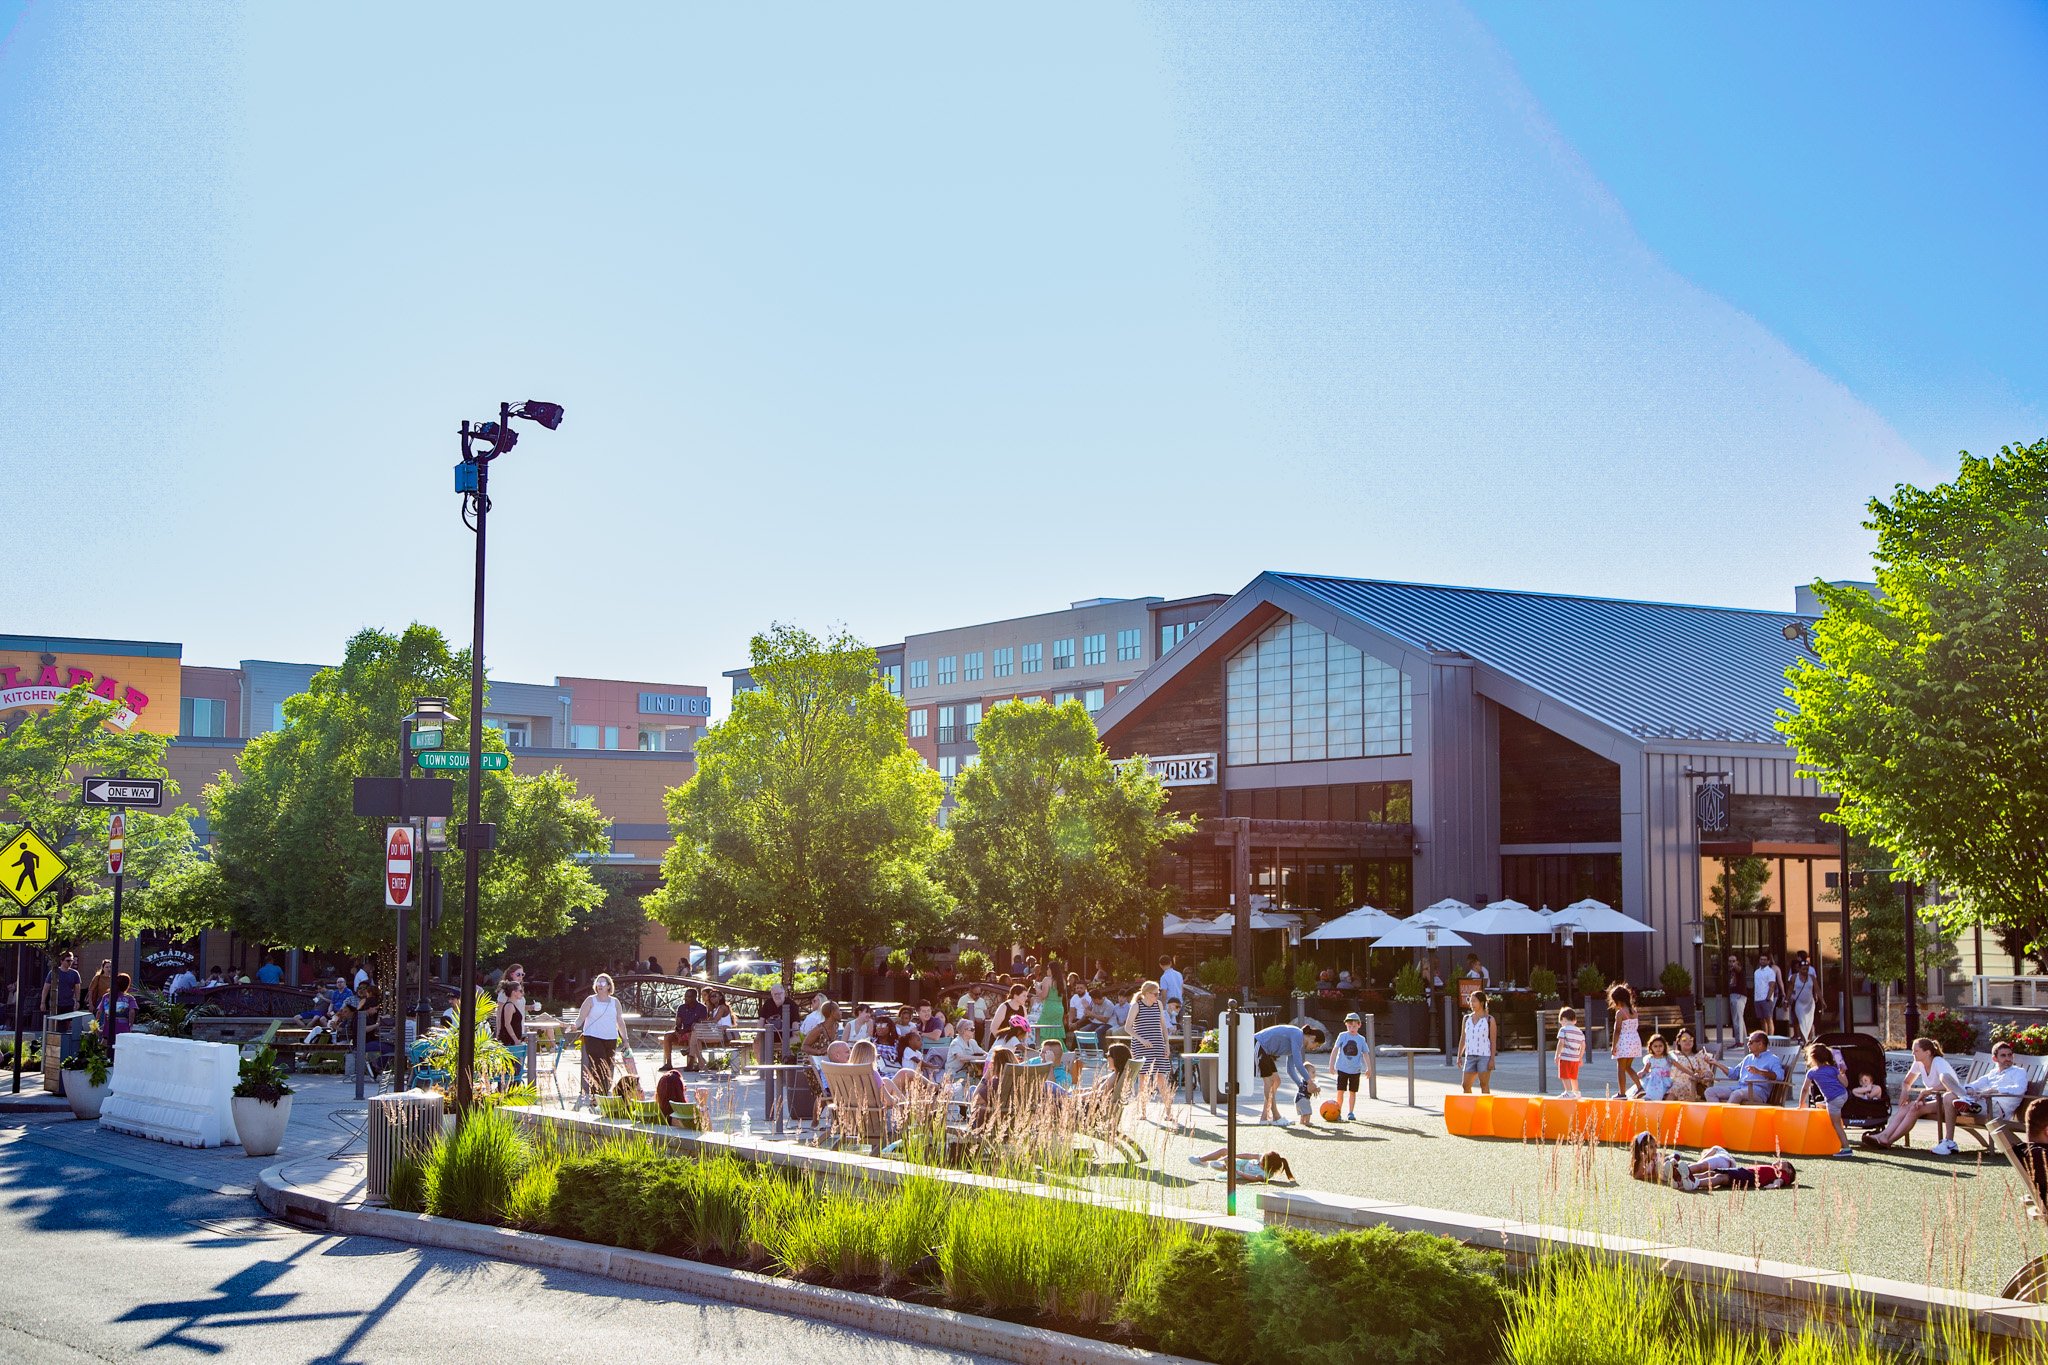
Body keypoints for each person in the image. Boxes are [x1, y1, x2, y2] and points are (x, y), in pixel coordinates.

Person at [1862, 1036, 1968, 1151]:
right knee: (1905, 1107)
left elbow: (1948, 1084)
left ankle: (1888, 1140)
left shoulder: (1938, 1062)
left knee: (1915, 1108)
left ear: (1927, 1052)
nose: (1913, 1053)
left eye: (1916, 1051)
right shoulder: (1919, 1063)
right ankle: (1884, 1135)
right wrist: (1904, 1092)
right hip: (1934, 1100)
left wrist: (1928, 1091)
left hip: (1949, 1102)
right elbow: (1907, 1082)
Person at [1254, 1020, 1327, 1126]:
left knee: (1276, 1081)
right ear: (1312, 1038)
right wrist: (1309, 1082)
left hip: (1265, 1051)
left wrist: (1301, 1086)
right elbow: (1298, 1064)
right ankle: (1275, 1117)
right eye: (1317, 1045)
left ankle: (1265, 1117)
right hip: (1257, 1044)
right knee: (1270, 1081)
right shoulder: (1298, 1034)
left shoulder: (1298, 1044)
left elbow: (1290, 1069)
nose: (1315, 1048)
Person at [1126, 980, 1175, 1124]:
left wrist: (1167, 1044)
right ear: (1146, 994)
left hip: (1157, 1043)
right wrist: (1141, 1040)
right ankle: (1143, 1112)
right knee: (1143, 1078)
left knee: (1161, 1078)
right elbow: (1128, 1027)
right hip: (1141, 1045)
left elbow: (1163, 1025)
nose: (1157, 996)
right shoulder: (1136, 1006)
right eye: (1155, 994)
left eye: (1158, 993)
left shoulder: (1158, 1005)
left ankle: (1168, 1112)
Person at [573, 973, 624, 1099]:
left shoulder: (615, 1002)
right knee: (598, 1063)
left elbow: (620, 1021)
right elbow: (580, 1018)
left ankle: (604, 1094)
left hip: (611, 1038)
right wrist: (574, 1025)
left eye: (602, 983)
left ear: (608, 986)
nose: (600, 985)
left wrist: (625, 1040)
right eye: (598, 983)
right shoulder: (591, 1000)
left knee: (607, 1066)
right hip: (593, 1036)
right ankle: (597, 1096)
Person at [1802, 1042, 1855, 1157]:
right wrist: (1842, 1073)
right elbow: (1845, 1084)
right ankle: (1845, 1147)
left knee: (1836, 1125)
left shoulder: (1812, 1072)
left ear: (1813, 1058)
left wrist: (1801, 1104)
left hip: (1834, 1100)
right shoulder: (1833, 1069)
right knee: (1820, 1104)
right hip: (1843, 1095)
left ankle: (1846, 1148)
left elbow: (1805, 1089)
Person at [1705, 1031, 1786, 1105]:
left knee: (1737, 1094)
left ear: (1760, 1044)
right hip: (1740, 1088)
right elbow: (1734, 1074)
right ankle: (1718, 1117)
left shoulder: (1772, 1059)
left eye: (1750, 1042)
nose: (1747, 1044)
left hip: (1757, 1092)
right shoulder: (1748, 1058)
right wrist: (1717, 1064)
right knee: (1710, 1092)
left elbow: (1780, 1076)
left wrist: (1760, 1072)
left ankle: (1725, 1119)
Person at [1327, 1012, 1369, 1120]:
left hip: (1355, 1069)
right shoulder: (1342, 1036)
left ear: (1359, 1025)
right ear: (1346, 1025)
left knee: (1353, 1092)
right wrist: (1331, 1065)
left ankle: (1351, 1112)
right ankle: (1338, 1111)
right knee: (1340, 1091)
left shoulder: (1361, 1039)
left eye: (1354, 1026)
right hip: (1342, 1068)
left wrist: (1369, 1068)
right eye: (1349, 1026)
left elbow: (1365, 1053)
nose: (1352, 1028)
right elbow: (1335, 1049)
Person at [1457, 991, 1498, 1096]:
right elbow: (1463, 1038)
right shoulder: (1467, 1019)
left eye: (1474, 1001)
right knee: (1465, 1085)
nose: (1471, 1004)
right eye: (1470, 1001)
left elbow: (1493, 1041)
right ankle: (1469, 1109)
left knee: (1483, 1084)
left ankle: (1485, 1109)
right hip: (1470, 1055)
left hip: (1484, 1056)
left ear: (1482, 1002)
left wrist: (1492, 1059)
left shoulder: (1489, 1020)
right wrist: (1459, 1055)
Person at [1667, 1029, 1723, 1103]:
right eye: (1684, 1040)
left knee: (1673, 1092)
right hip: (1669, 1083)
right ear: (1678, 1042)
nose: (1688, 1042)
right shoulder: (1672, 1055)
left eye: (1691, 1039)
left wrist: (1702, 1075)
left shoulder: (1699, 1056)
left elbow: (1708, 1073)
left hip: (1690, 1084)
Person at [1608, 982, 1643, 1096]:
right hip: (1634, 1040)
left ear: (1617, 1000)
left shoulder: (1620, 1013)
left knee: (1621, 1068)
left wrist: (1614, 1046)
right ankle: (1640, 1087)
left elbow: (1617, 1030)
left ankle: (1622, 1093)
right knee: (1628, 1066)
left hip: (1624, 1041)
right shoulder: (1634, 1012)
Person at [1187, 1147, 1296, 1183]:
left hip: (1240, 1172)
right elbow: (1249, 1156)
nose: (1259, 1161)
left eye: (1261, 1162)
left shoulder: (1265, 1174)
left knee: (1228, 1168)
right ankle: (1201, 1160)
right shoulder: (1262, 1158)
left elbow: (1254, 1178)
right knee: (1225, 1150)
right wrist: (1233, 1155)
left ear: (1267, 1166)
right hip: (1241, 1163)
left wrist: (1239, 1172)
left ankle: (1223, 1167)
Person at [664, 988, 711, 1070]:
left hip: (694, 1032)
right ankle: (668, 1063)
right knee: (667, 1036)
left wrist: (686, 1031)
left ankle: (691, 1062)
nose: (685, 998)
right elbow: (678, 1022)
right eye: (685, 996)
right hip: (683, 1031)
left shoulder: (702, 1008)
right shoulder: (681, 1007)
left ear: (694, 997)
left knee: (691, 1035)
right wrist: (678, 1030)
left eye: (688, 997)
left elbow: (702, 1024)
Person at [1555, 1006, 1586, 1097]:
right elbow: (1583, 1046)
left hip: (1565, 1057)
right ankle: (1576, 1092)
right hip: (1575, 1058)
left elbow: (1561, 1043)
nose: (1561, 1023)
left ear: (1563, 1019)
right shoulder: (1579, 1032)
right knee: (1573, 1076)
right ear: (1574, 1020)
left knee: (1564, 1076)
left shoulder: (1563, 1030)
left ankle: (1568, 1092)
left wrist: (1557, 1055)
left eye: (1561, 1021)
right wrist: (1580, 1058)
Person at [1788, 956, 1820, 1043]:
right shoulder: (1794, 977)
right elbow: (1790, 989)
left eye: (1806, 969)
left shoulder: (1812, 978)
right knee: (1801, 1021)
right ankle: (1803, 1040)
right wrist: (1786, 1000)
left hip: (1810, 1003)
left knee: (1809, 1021)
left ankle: (1807, 1039)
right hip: (1799, 1003)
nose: (1805, 971)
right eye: (1803, 969)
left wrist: (1822, 1000)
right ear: (1799, 969)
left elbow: (1817, 989)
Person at [95, 972, 138, 1036]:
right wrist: (130, 1024)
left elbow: (99, 1011)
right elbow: (132, 1011)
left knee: (105, 1043)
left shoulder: (106, 996)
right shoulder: (129, 998)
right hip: (123, 1028)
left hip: (108, 1027)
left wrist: (95, 1026)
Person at [945, 1016, 988, 1080]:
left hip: (966, 1073)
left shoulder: (972, 1042)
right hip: (953, 1074)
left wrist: (988, 1055)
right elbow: (961, 1057)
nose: (974, 1031)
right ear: (964, 1031)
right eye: (972, 1029)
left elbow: (983, 1053)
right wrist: (980, 1058)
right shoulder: (956, 1042)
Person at [41, 951, 81, 1018]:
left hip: (69, 1003)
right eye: (68, 961)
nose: (70, 963)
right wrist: (43, 1002)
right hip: (55, 1003)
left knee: (67, 1023)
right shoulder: (53, 973)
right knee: (54, 1023)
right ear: (61, 961)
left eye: (71, 960)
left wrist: (77, 1001)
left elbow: (77, 989)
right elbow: (46, 988)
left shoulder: (75, 973)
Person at [1753, 953, 1784, 1035]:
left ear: (1768, 961)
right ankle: (1764, 1036)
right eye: (1761, 959)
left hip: (1766, 999)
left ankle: (1770, 1037)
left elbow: (1772, 985)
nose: (1762, 961)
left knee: (1768, 1018)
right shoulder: (1756, 972)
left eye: (1764, 960)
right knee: (1761, 1019)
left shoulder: (1770, 972)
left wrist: (1768, 997)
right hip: (1757, 998)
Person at [1639, 1033, 1676, 1101]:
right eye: (1655, 1046)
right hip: (1653, 1080)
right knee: (1652, 1088)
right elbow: (1645, 1070)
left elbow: (1679, 1067)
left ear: (1664, 1046)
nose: (1658, 1048)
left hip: (1664, 1080)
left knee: (1660, 1090)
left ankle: (1655, 1099)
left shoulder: (1667, 1058)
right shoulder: (1650, 1058)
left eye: (1660, 1046)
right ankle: (1650, 1098)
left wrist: (1691, 1074)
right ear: (1651, 1047)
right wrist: (1641, 1073)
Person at [492, 981, 527, 1049]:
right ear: (514, 992)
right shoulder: (509, 1006)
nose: (522, 993)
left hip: (514, 1041)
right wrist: (515, 1040)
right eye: (520, 990)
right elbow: (507, 1024)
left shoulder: (513, 1005)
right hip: (509, 1041)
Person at [1723, 953, 1749, 1036]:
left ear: (1737, 962)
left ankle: (1740, 1041)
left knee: (1738, 1019)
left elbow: (1738, 969)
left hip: (1739, 996)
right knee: (1738, 1019)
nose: (1731, 963)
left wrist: (1734, 966)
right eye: (1730, 961)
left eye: (1733, 961)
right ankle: (1744, 1040)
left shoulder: (1739, 970)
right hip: (1733, 995)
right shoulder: (1730, 972)